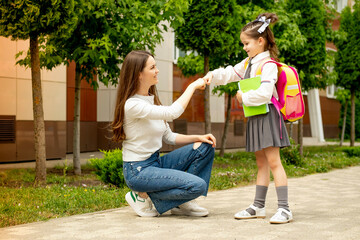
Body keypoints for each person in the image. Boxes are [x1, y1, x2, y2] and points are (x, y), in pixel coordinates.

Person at [203, 13, 293, 224]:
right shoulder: (249, 63)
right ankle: (258, 206)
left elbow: (264, 93)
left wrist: (244, 97)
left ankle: (285, 209)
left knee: (274, 162)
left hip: (268, 115)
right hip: (256, 116)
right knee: (261, 163)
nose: (244, 47)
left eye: (247, 43)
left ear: (260, 41)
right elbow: (230, 73)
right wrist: (212, 76)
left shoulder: (268, 65)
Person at [112, 50, 216, 217]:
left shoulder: (150, 99)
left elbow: (169, 136)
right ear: (139, 74)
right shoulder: (132, 105)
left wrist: (198, 138)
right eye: (152, 67)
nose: (157, 70)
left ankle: (179, 201)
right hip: (138, 171)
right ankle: (141, 196)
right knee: (198, 186)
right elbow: (172, 113)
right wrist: (192, 86)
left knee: (205, 147)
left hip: (155, 163)